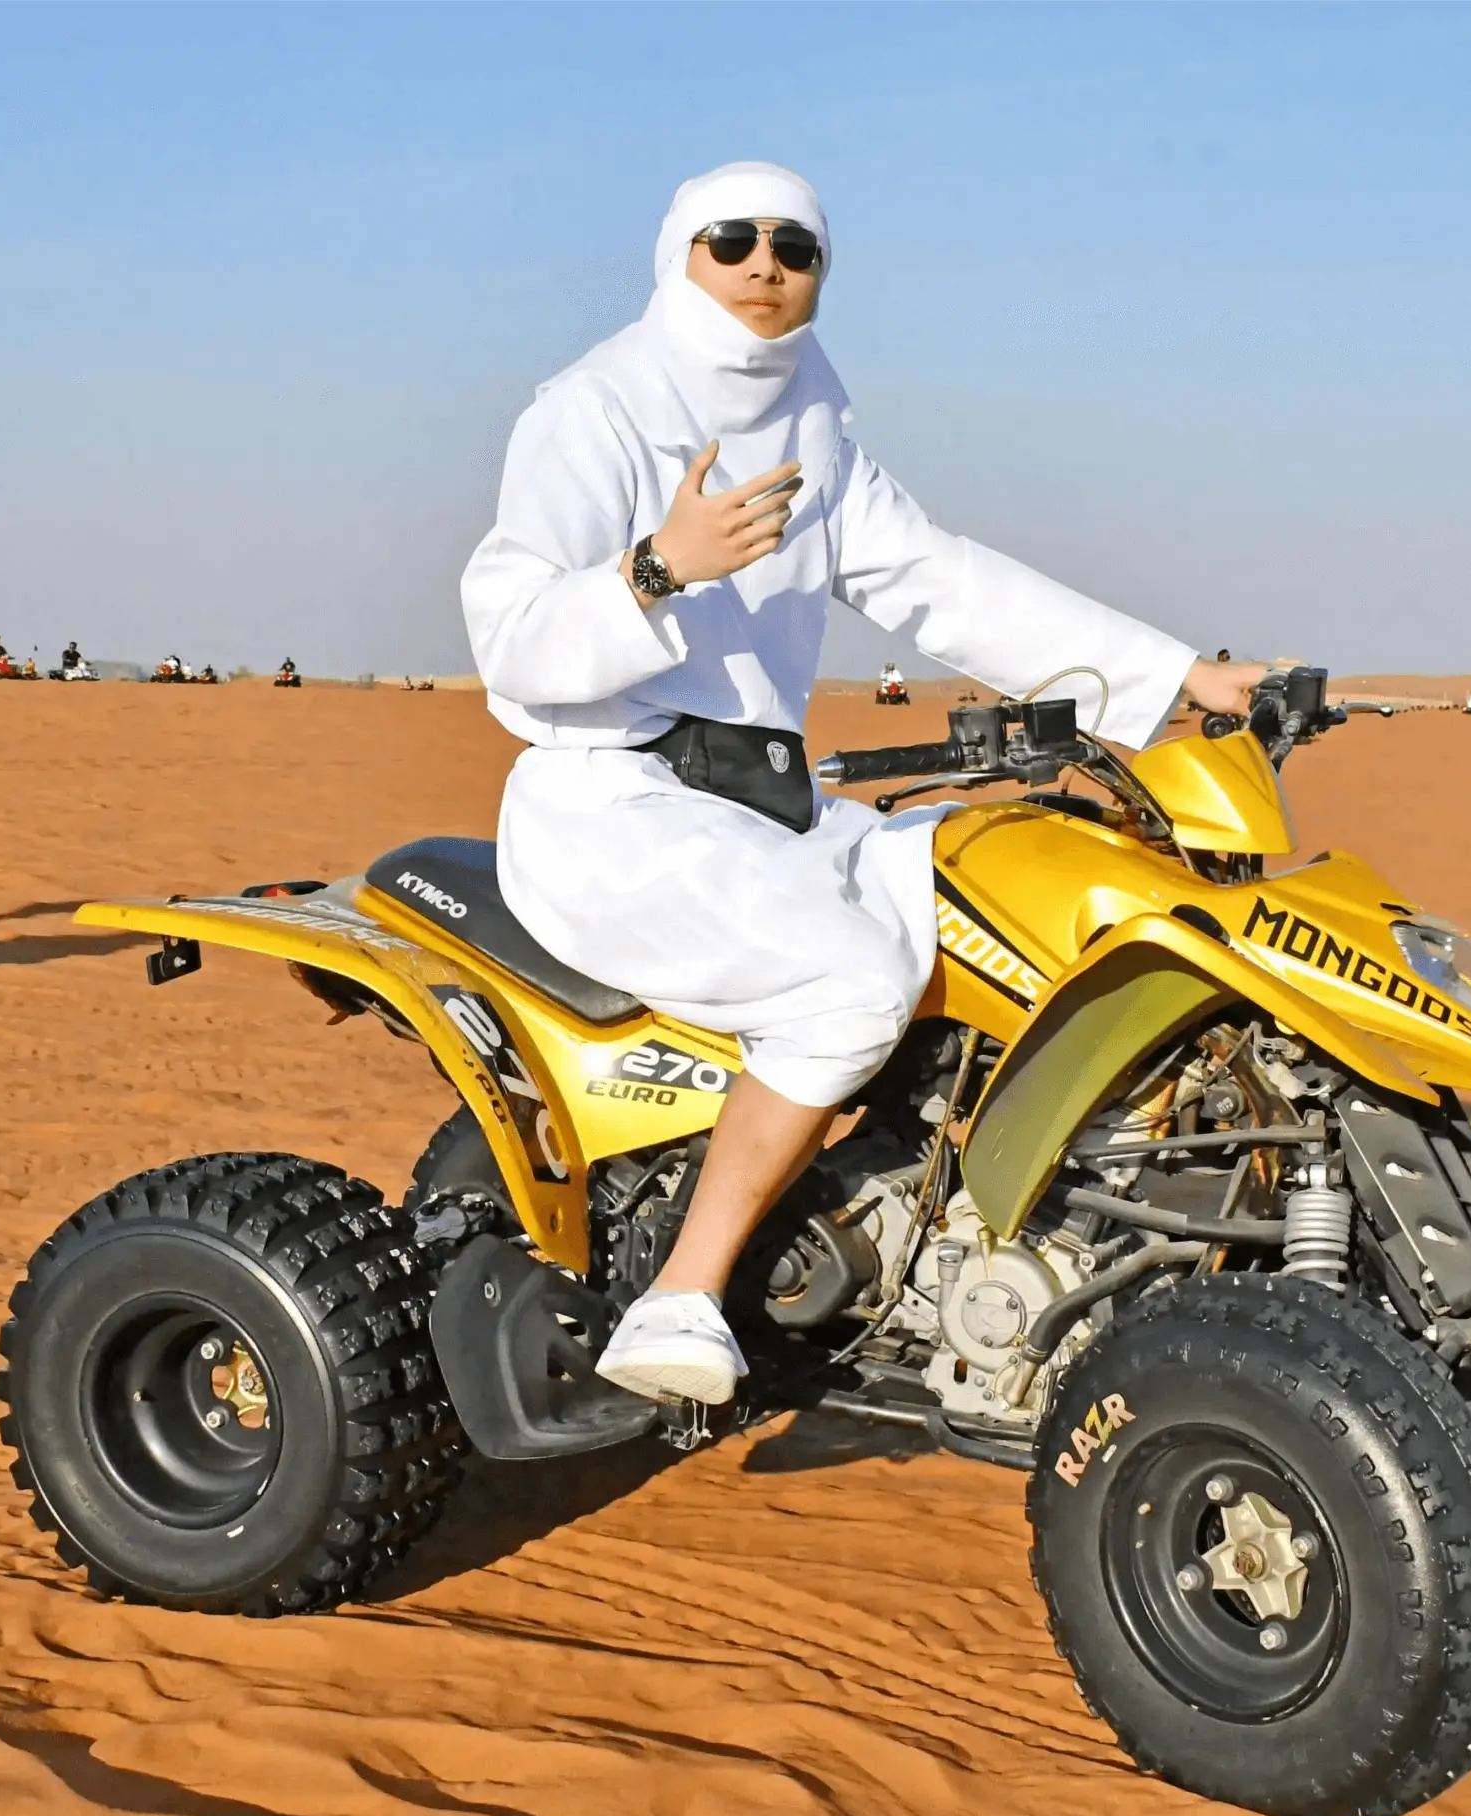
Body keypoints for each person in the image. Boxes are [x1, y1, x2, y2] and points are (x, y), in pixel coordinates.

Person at [462, 162, 1262, 1405]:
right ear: (681, 254)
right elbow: (508, 635)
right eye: (734, 240)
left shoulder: (812, 427)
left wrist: (1169, 680)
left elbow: (940, 581)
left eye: (798, 244)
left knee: (993, 877)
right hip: (614, 805)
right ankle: (684, 1289)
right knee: (847, 985)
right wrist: (656, 570)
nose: (767, 263)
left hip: (764, 807)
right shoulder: (595, 411)